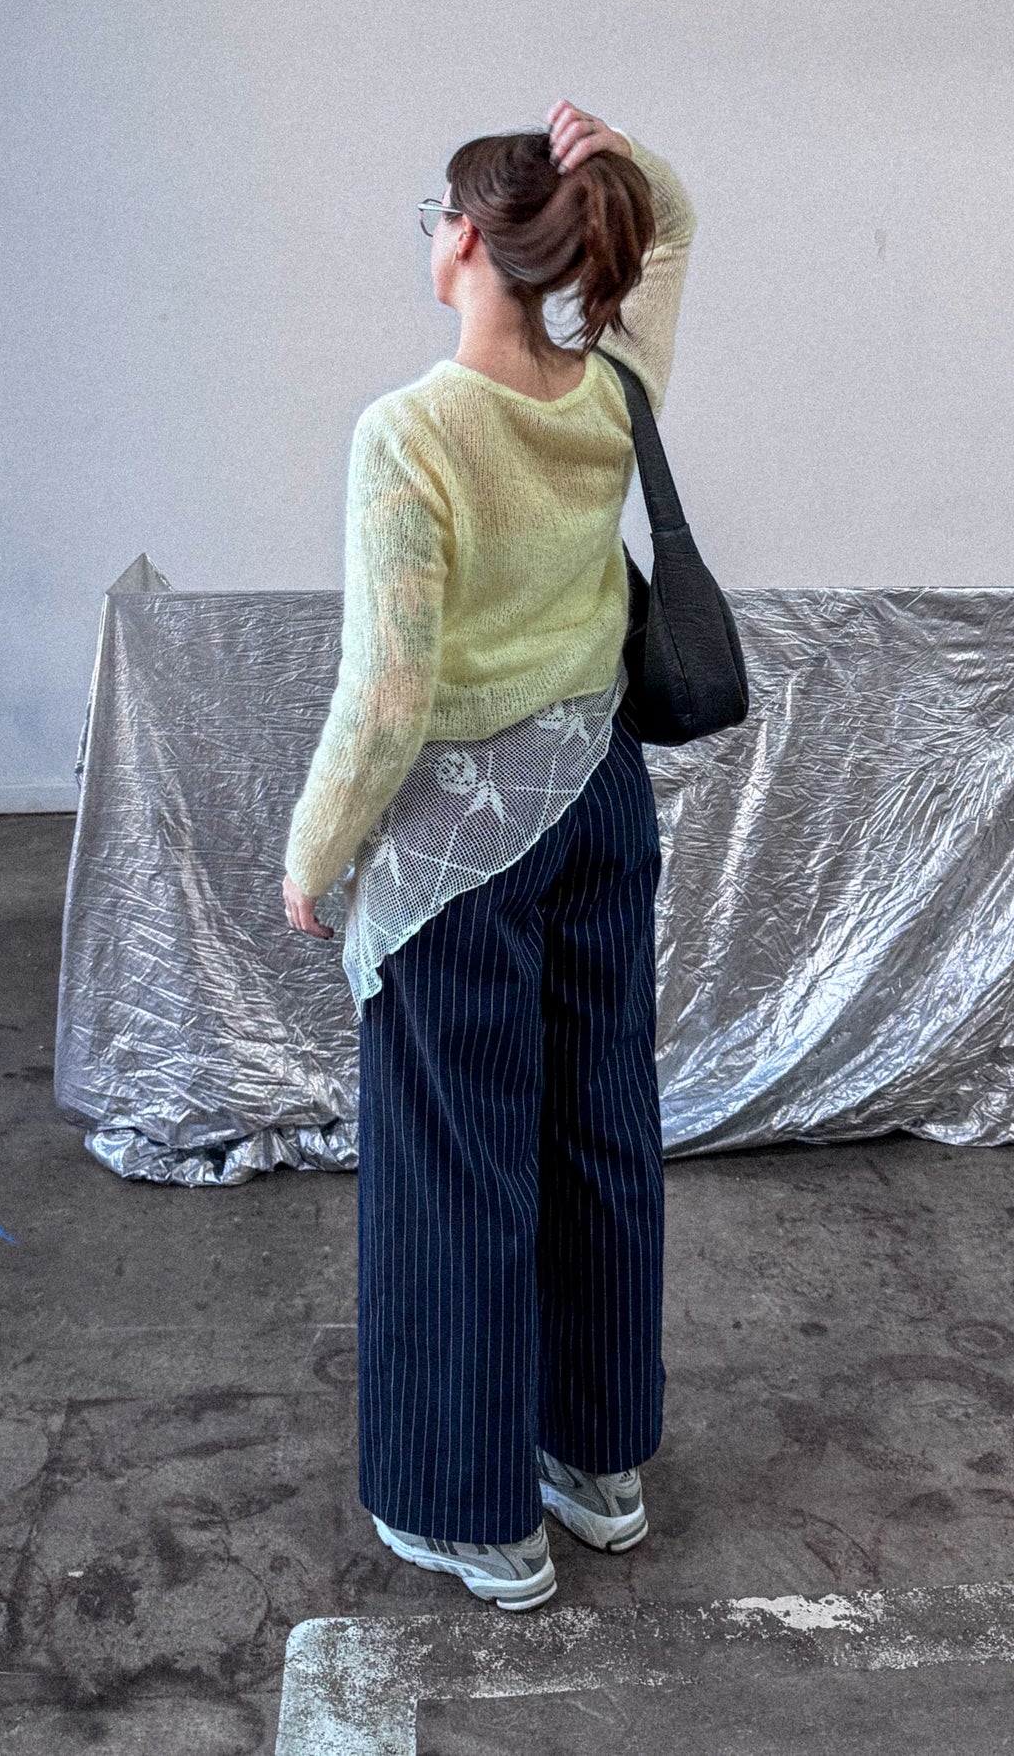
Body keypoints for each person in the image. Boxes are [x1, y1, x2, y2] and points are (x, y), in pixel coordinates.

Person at [280, 99, 698, 1612]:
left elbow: (387, 694)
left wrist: (312, 856)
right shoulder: (612, 392)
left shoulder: (410, 432)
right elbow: (674, 235)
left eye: (431, 215)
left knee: (459, 1167)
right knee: (600, 1128)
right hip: (598, 798)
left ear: (462, 238)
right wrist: (619, 151)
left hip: (460, 845)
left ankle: (471, 1514)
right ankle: (597, 1466)